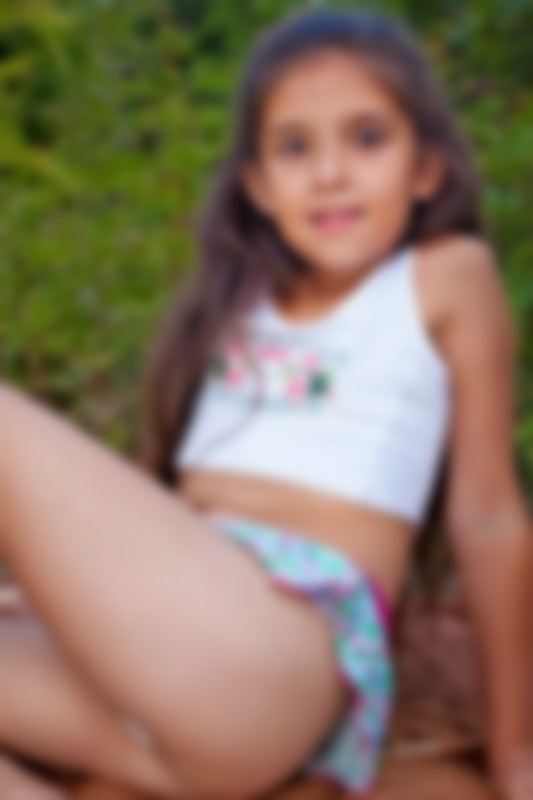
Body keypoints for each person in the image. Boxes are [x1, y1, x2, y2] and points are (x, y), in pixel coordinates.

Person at [0, 8, 531, 800]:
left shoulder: (442, 276)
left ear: (425, 168)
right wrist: (57, 596)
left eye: (366, 139)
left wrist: (515, 755)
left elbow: (487, 519)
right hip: (173, 669)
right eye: (294, 147)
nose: (329, 173)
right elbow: (166, 513)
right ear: (257, 185)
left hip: (276, 658)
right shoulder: (239, 300)